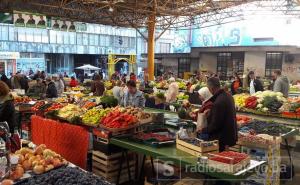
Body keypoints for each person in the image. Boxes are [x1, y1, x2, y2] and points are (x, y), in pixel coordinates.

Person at [201, 77, 237, 152]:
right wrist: (211, 112)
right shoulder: (229, 96)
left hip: (221, 139)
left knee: (220, 160)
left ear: (211, 88)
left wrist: (203, 130)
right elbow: (224, 115)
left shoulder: (218, 102)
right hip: (229, 136)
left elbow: (215, 125)